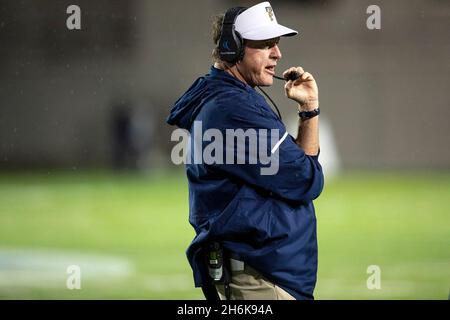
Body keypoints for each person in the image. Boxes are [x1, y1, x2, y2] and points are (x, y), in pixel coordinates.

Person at [167, 1, 324, 300]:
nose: (277, 53)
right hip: (257, 281)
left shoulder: (228, 101)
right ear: (231, 48)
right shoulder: (235, 110)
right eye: (265, 44)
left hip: (255, 276)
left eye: (276, 44)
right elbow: (308, 179)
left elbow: (301, 171)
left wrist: (308, 110)